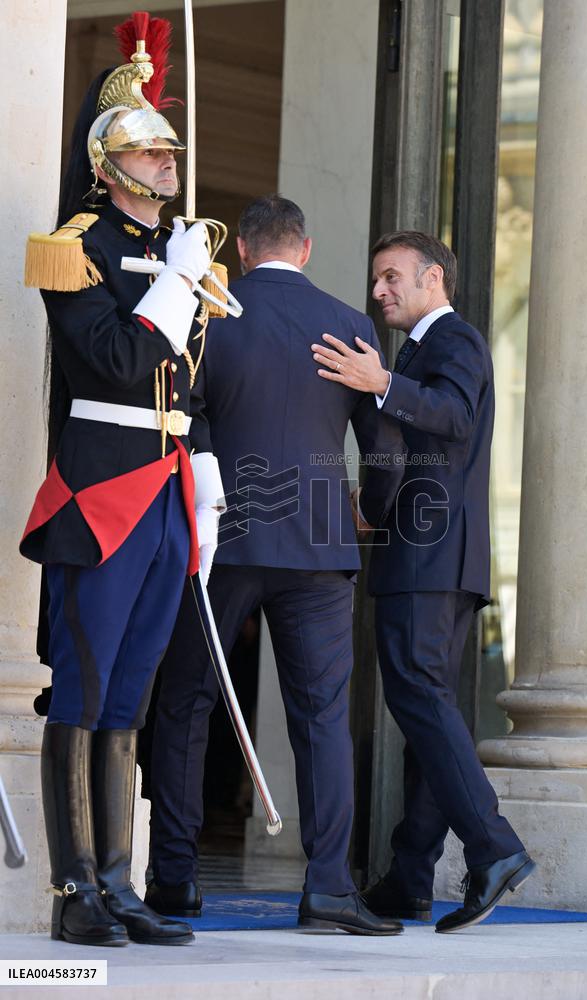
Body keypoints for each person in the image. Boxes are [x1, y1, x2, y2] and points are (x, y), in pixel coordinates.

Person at [146, 195, 405, 936]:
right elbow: (384, 448)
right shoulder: (352, 326)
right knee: (321, 716)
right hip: (321, 543)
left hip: (219, 537)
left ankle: (174, 879)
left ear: (245, 254)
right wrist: (372, 513)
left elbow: (179, 424)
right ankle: (327, 886)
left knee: (187, 702)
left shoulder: (208, 314)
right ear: (307, 249)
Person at [20, 13, 224, 947]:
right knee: (84, 685)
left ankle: (118, 881)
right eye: (147, 152)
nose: (166, 162)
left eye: (169, 149)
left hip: (168, 486)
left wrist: (205, 466)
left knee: (131, 694)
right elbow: (106, 362)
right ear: (108, 165)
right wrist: (176, 283)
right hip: (102, 490)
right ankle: (73, 894)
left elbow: (190, 380)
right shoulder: (78, 246)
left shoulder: (185, 249)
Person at [311, 230, 535, 932]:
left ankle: (494, 849)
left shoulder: (456, 339)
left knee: (422, 700)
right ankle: (410, 877)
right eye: (375, 279)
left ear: (433, 277)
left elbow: (456, 418)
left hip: (434, 557)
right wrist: (371, 510)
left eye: (391, 277)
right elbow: (404, 452)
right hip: (426, 554)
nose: (378, 291)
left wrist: (381, 383)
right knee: (426, 709)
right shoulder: (419, 352)